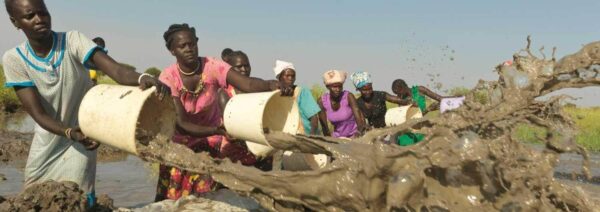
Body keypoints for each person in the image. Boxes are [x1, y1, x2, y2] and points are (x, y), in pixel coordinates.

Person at [2, 0, 168, 208]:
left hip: (84, 134)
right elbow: (38, 114)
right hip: (49, 137)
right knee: (33, 197)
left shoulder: (72, 40)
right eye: (29, 16)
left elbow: (116, 70)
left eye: (43, 13)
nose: (39, 20)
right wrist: (69, 132)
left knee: (78, 197)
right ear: (15, 22)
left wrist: (142, 77)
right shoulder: (14, 60)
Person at [155, 23, 292, 201]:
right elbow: (181, 124)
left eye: (192, 44)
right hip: (179, 146)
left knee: (207, 198)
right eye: (182, 46)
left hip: (209, 145)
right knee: (170, 200)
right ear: (172, 51)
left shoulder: (212, 66)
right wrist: (217, 130)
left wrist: (270, 85)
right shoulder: (168, 78)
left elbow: (247, 83)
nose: (189, 49)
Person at [274, 60, 321, 135]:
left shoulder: (302, 92)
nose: (290, 78)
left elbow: (314, 119)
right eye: (287, 76)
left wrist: (312, 138)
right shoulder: (275, 95)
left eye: (293, 76)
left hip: (306, 135)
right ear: (279, 77)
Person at [317, 70, 366, 138]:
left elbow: (360, 121)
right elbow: (324, 127)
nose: (338, 89)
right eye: (334, 87)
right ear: (327, 87)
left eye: (340, 86)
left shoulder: (348, 96)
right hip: (338, 137)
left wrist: (358, 135)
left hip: (355, 135)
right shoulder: (322, 101)